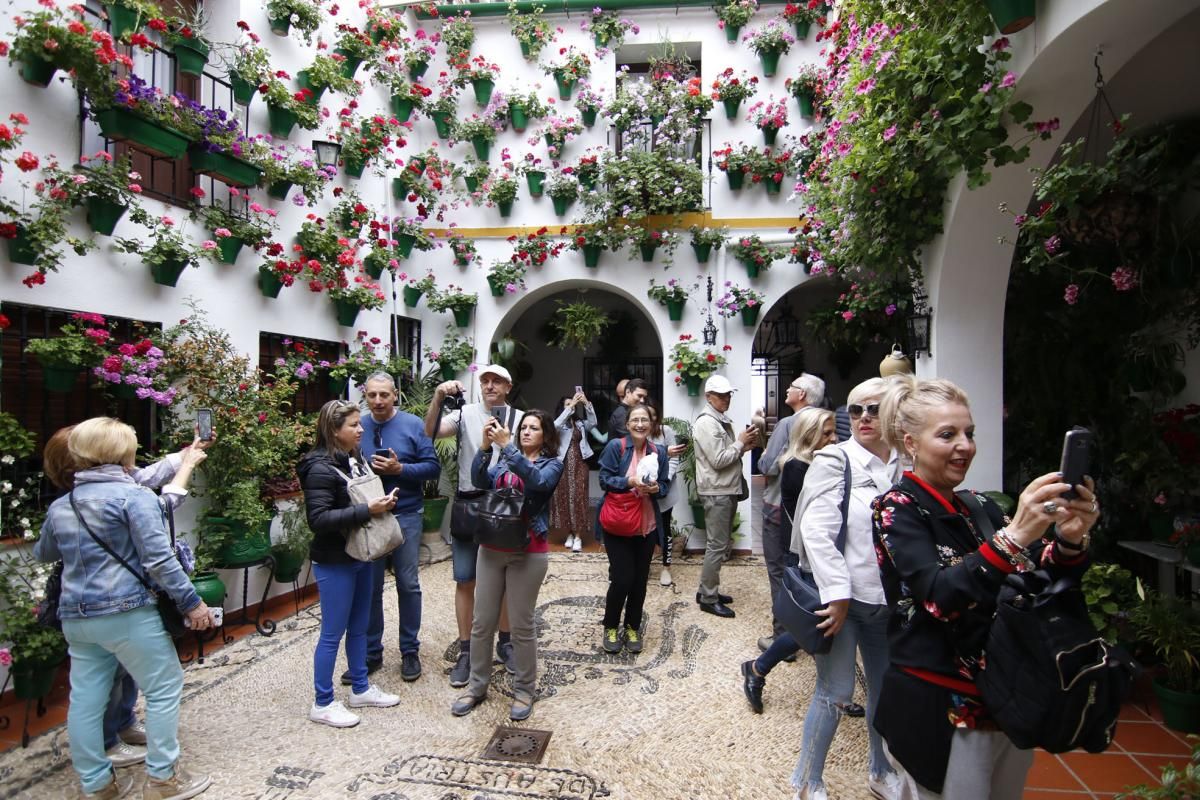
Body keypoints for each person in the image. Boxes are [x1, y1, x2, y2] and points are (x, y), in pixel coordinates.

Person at [871, 377, 1098, 799]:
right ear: (911, 443)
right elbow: (939, 599)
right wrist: (1013, 537)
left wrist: (1069, 539)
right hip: (941, 707)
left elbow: (1033, 581)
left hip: (1006, 695)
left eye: (969, 434)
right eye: (948, 435)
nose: (965, 446)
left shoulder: (980, 506)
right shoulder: (896, 509)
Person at [34, 418, 213, 800]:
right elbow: (160, 561)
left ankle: (97, 785)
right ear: (122, 453)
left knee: (85, 699)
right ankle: (164, 781)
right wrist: (192, 602)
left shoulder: (63, 505)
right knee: (164, 688)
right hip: (127, 612)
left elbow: (45, 553)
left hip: (77, 619)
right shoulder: (135, 498)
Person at [789, 378, 903, 800]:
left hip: (885, 602)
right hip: (844, 602)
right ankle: (807, 782)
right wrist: (836, 593)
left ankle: (880, 770)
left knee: (884, 689)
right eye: (855, 410)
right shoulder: (836, 459)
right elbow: (816, 531)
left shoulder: (901, 465)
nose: (864, 418)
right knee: (835, 693)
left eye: (873, 409)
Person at [452, 409, 563, 721]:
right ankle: (476, 686)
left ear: (546, 435)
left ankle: (525, 690)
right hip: (491, 546)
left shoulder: (552, 464)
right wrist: (486, 449)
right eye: (523, 427)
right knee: (482, 622)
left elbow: (538, 483)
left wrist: (508, 449)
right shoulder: (503, 458)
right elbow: (479, 481)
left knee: (522, 625)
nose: (526, 432)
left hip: (529, 550)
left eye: (534, 428)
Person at [298, 400, 402, 729]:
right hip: (335, 559)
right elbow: (319, 519)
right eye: (354, 425)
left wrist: (380, 505)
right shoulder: (319, 468)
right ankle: (323, 702)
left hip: (359, 554)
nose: (361, 429)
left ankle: (360, 688)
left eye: (360, 424)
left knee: (360, 626)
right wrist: (367, 510)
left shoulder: (352, 459)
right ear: (333, 430)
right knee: (332, 633)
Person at [425, 365, 522, 686]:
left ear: (508, 386)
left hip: (505, 506)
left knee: (506, 580)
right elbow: (431, 432)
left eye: (497, 381)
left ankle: (505, 642)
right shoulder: (464, 413)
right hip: (469, 504)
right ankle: (467, 651)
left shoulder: (520, 419)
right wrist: (439, 397)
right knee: (465, 579)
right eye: (485, 381)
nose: (490, 386)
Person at [740, 407, 835, 713]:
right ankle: (758, 668)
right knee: (813, 622)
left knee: (829, 625)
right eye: (828, 433)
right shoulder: (797, 466)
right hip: (806, 551)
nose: (835, 439)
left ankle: (835, 688)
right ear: (810, 436)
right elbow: (805, 517)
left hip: (817, 550)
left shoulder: (819, 462)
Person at [355, 372, 440, 686]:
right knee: (371, 587)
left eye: (384, 395)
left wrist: (400, 469)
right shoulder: (358, 426)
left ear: (395, 396)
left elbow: (433, 468)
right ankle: (371, 651)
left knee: (407, 583)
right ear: (366, 396)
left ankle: (409, 650)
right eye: (372, 395)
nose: (378, 401)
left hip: (406, 514)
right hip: (369, 517)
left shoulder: (412, 425)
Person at [757, 373, 826, 653]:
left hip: (780, 507)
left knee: (778, 569)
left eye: (792, 387)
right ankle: (811, 630)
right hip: (812, 509)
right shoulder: (824, 421)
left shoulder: (788, 424)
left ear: (803, 395)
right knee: (807, 570)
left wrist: (762, 452)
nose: (787, 389)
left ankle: (783, 637)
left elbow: (767, 466)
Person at [597, 404, 671, 653]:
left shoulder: (658, 451)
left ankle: (632, 627)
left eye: (645, 420)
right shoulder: (615, 447)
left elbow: (664, 485)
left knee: (639, 582)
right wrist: (628, 481)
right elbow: (604, 480)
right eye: (635, 420)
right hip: (618, 525)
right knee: (622, 579)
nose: (640, 424)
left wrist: (656, 489)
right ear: (627, 424)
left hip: (646, 527)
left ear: (652, 424)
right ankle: (610, 625)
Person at [692, 375, 758, 618]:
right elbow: (719, 460)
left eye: (728, 394)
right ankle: (708, 598)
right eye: (721, 395)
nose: (726, 398)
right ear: (709, 397)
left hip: (723, 488)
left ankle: (706, 591)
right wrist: (740, 444)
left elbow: (724, 456)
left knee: (718, 544)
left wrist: (742, 446)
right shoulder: (707, 423)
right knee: (717, 545)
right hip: (717, 490)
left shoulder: (717, 420)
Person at [550, 391, 597, 553]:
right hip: (561, 465)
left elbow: (593, 423)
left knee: (579, 498)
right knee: (563, 498)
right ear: (562, 407)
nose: (571, 406)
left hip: (580, 464)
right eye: (567, 403)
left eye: (573, 403)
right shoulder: (558, 423)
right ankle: (569, 533)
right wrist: (568, 409)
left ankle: (578, 536)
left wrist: (586, 403)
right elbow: (554, 427)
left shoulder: (580, 424)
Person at [646, 405, 686, 585]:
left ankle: (666, 567)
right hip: (643, 491)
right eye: (646, 416)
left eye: (653, 415)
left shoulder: (665, 431)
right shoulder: (638, 434)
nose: (649, 420)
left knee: (665, 528)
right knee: (645, 530)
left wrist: (665, 480)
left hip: (665, 490)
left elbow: (675, 456)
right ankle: (644, 565)